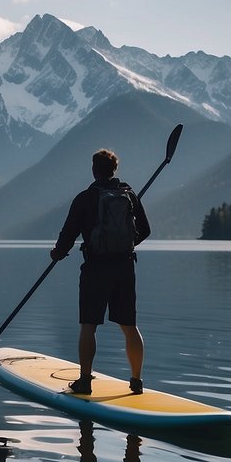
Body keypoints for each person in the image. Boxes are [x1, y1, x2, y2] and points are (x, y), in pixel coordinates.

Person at [50, 148, 151, 394]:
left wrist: (58, 254)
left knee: (88, 325)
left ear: (94, 170)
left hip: (96, 267)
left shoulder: (85, 198)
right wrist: (126, 245)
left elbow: (68, 236)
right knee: (129, 325)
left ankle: (85, 382)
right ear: (114, 169)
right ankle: (136, 382)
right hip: (125, 266)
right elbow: (145, 230)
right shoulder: (129, 194)